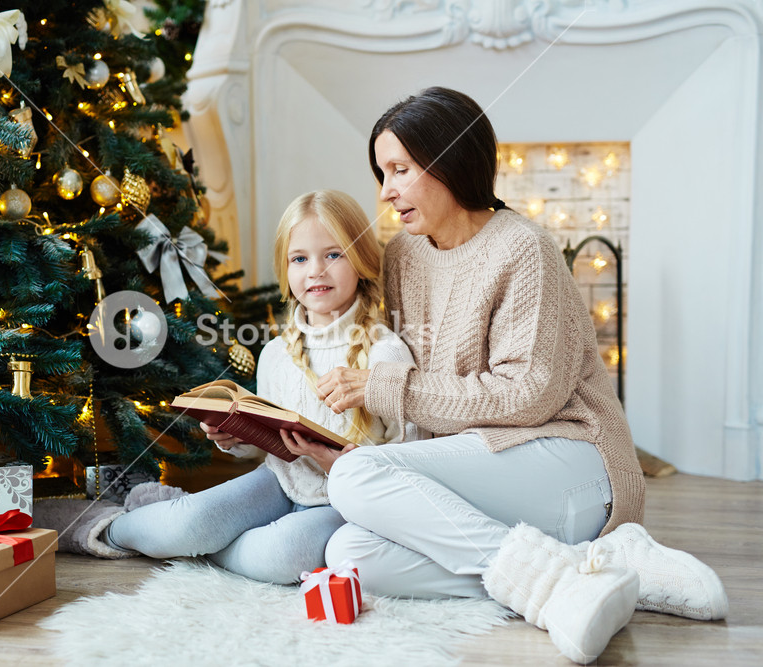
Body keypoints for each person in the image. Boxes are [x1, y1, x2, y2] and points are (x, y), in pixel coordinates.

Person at [278, 88, 727, 664]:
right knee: (349, 551)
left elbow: (527, 396)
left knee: (357, 478)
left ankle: (559, 585)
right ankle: (582, 567)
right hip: (481, 472)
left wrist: (385, 391)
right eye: (381, 172)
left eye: (399, 170)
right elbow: (371, 348)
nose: (386, 191)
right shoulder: (402, 256)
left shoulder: (525, 248)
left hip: (571, 455)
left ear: (449, 163)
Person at [37, 190, 416, 585]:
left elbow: (413, 456)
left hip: (345, 502)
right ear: (285, 269)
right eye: (299, 258)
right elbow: (268, 443)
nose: (315, 271)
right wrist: (235, 436)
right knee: (189, 523)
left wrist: (344, 466)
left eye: (333, 254)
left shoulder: (386, 351)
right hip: (280, 481)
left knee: (282, 556)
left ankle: (196, 542)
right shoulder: (276, 353)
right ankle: (100, 526)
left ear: (362, 261)